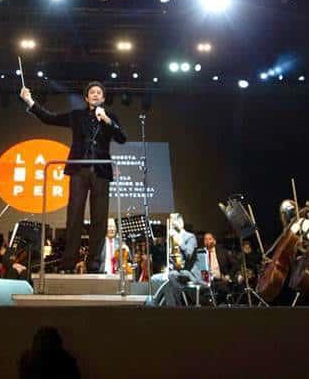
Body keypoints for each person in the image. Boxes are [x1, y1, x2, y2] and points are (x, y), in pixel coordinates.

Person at [20, 81, 127, 273]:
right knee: (74, 216)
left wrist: (107, 120)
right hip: (79, 170)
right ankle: (68, 263)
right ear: (86, 97)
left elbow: (122, 138)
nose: (95, 94)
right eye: (92, 92)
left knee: (99, 219)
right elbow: (50, 118)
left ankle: (94, 264)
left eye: (99, 92)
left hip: (101, 172)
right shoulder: (77, 115)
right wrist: (29, 101)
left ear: (103, 98)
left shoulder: (110, 117)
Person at [150, 213, 200, 307]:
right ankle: (167, 304)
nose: (171, 227)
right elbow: (169, 259)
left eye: (173, 224)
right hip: (175, 272)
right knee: (154, 278)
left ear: (180, 223)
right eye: (171, 224)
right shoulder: (171, 238)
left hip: (188, 272)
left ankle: (176, 305)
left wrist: (179, 240)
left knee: (171, 276)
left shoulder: (190, 237)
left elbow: (188, 255)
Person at [203, 232, 236, 303]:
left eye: (209, 239)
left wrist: (229, 275)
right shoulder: (201, 252)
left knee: (223, 290)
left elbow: (235, 264)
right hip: (205, 280)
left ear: (214, 241)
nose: (207, 241)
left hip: (221, 280)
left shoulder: (223, 252)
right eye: (205, 239)